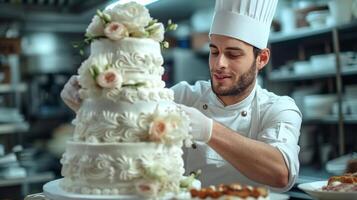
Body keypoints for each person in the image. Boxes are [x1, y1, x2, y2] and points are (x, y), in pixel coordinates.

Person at [61, 0, 302, 193]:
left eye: (233, 54)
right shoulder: (183, 95)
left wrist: (210, 130)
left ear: (262, 59)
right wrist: (89, 105)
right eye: (214, 51)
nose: (219, 64)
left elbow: (281, 173)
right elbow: (125, 131)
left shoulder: (279, 108)